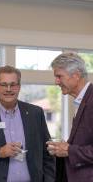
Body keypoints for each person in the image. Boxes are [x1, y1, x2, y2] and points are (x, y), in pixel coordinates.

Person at [47, 52, 93, 182]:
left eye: (59, 76)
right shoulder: (82, 100)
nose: (56, 82)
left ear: (76, 76)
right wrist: (64, 147)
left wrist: (69, 150)